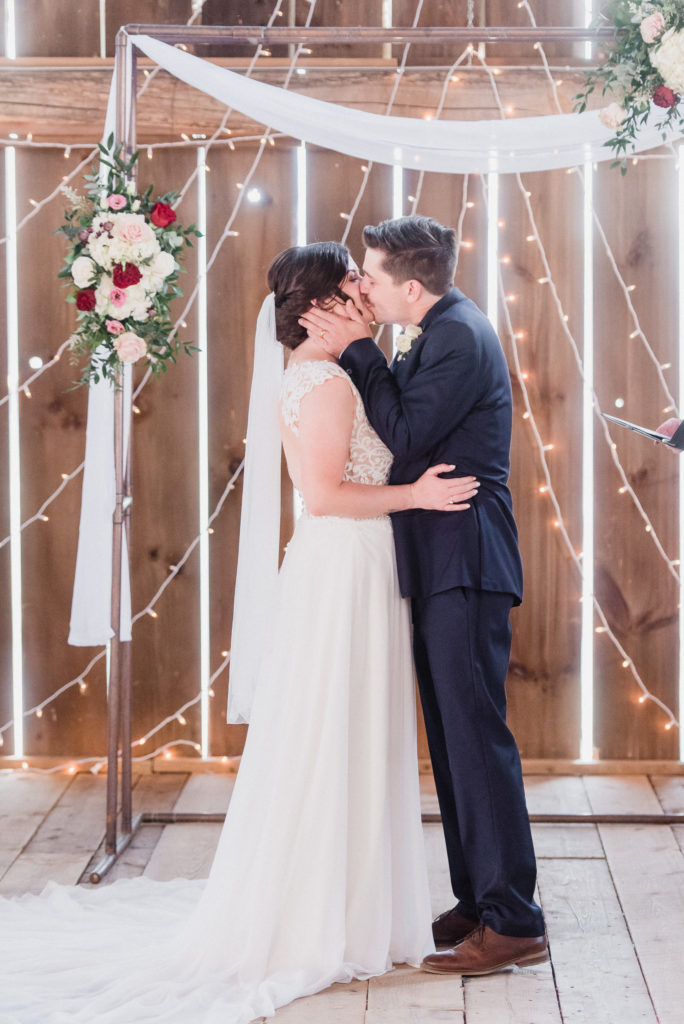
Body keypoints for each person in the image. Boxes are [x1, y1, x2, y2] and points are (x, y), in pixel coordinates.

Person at [0, 240, 480, 1024]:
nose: (364, 290)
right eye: (351, 282)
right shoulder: (322, 383)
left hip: (361, 569)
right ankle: (326, 919)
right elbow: (324, 496)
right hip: (343, 570)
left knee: (353, 731)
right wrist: (417, 498)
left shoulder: (342, 372)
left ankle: (358, 907)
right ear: (320, 306)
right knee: (334, 732)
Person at [299, 215, 549, 976]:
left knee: (476, 740)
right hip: (438, 560)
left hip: (465, 562)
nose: (362, 288)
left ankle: (514, 920)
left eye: (370, 277)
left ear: (410, 286)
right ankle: (478, 900)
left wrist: (355, 351)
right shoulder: (439, 329)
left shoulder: (458, 336)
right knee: (451, 740)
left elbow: (404, 435)